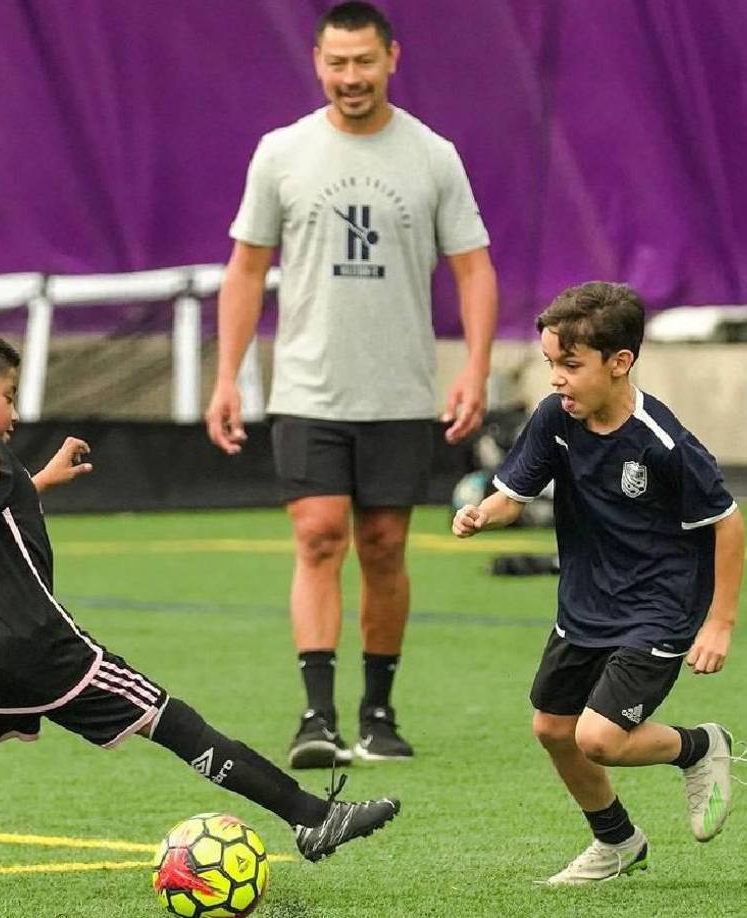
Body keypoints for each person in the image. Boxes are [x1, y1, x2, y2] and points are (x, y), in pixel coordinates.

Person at [0, 325, 399, 898]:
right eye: (7, 396)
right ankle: (311, 818)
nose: (12, 413)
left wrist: (36, 482)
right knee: (171, 719)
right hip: (38, 649)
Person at [205, 1, 498, 769]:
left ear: (392, 59)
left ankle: (378, 712)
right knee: (318, 536)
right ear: (317, 63)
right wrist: (227, 376)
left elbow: (474, 269)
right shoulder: (282, 152)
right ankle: (316, 716)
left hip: (400, 393)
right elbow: (245, 268)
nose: (351, 77)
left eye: (364, 61)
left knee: (385, 545)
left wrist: (473, 366)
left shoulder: (433, 157)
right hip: (307, 389)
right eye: (337, 63)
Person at [452, 282, 747, 884]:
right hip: (586, 602)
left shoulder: (664, 443)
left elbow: (728, 522)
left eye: (570, 364)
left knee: (599, 738)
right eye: (550, 364)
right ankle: (617, 842)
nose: (557, 379)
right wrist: (485, 512)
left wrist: (719, 622)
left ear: (621, 363)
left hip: (660, 608)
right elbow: (515, 495)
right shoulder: (554, 418)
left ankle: (699, 746)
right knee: (552, 729)